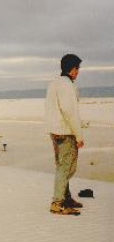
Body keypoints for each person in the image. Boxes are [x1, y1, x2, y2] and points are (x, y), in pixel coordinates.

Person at [45, 54, 84, 216]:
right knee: (67, 167)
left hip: (55, 131)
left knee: (63, 165)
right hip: (65, 132)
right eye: (77, 68)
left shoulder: (54, 83)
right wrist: (79, 135)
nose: (78, 72)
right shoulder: (67, 85)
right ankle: (58, 202)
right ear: (72, 69)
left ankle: (65, 197)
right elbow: (70, 112)